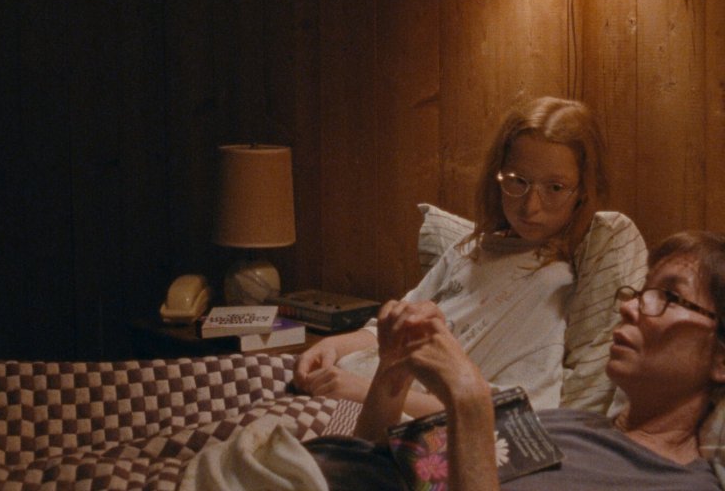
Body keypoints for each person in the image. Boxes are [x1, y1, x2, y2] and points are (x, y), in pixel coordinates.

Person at [294, 95, 640, 414]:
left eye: (555, 188)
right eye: (517, 181)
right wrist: (334, 345)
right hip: (347, 377)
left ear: (582, 191)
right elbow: (397, 324)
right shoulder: (471, 250)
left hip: (384, 406)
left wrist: (368, 392)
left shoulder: (555, 282)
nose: (531, 206)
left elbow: (514, 409)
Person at [350, 230, 725, 490]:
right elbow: (366, 468)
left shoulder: (679, 483)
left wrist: (468, 397)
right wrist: (393, 370)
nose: (630, 307)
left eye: (669, 297)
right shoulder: (564, 422)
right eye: (642, 292)